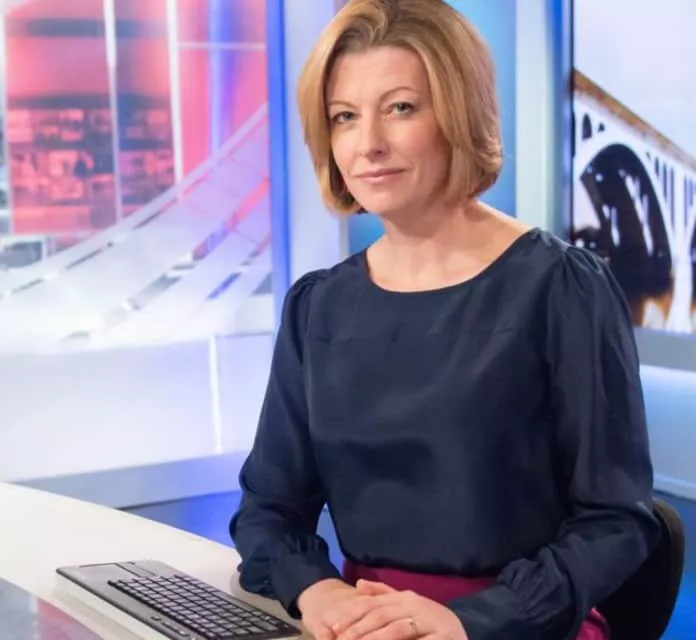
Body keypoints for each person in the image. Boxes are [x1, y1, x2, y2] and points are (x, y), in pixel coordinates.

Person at [228, 1, 661, 639]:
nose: (369, 144)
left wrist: (469, 622)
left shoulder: (560, 287)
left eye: (401, 108)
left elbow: (617, 522)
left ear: (459, 115)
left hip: (516, 626)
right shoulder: (318, 306)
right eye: (344, 117)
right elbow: (267, 510)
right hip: (365, 626)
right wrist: (317, 591)